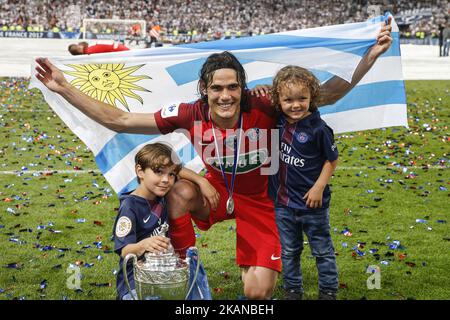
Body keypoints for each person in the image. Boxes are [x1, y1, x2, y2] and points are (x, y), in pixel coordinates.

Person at [35, 20, 392, 300]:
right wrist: (64, 87)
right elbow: (122, 120)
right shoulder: (189, 113)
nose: (225, 95)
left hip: (265, 201)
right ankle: (186, 263)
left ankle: (251, 261)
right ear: (205, 89)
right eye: (217, 88)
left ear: (242, 87)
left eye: (232, 87)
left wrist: (369, 58)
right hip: (216, 192)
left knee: (257, 294)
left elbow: (326, 95)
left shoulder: (263, 102)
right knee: (178, 193)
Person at [268, 66, 339, 300]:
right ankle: (293, 290)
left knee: (322, 250)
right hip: (284, 203)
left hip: (313, 205)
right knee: (289, 251)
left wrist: (319, 187)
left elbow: (332, 159)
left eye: (302, 98)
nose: (295, 105)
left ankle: (328, 290)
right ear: (278, 100)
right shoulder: (277, 122)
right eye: (288, 99)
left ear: (312, 97)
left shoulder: (319, 128)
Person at [114, 142, 219, 300]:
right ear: (140, 171)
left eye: (170, 175)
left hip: (166, 272)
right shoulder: (130, 206)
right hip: (137, 280)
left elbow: (180, 171)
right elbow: (124, 251)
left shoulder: (161, 194)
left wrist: (201, 181)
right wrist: (144, 245)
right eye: (158, 172)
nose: (166, 180)